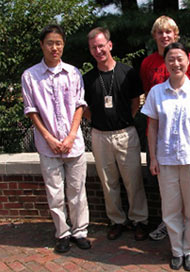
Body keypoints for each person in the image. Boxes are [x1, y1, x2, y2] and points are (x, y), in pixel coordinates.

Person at [141, 42, 190, 271]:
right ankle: (176, 251)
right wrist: (152, 158)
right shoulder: (156, 92)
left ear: (188, 61)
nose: (176, 63)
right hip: (166, 161)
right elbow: (152, 128)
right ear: (165, 63)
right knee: (170, 210)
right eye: (171, 59)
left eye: (180, 58)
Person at [21, 25, 91, 253]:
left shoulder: (73, 73)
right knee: (55, 192)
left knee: (77, 191)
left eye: (58, 43)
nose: (54, 47)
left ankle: (80, 231)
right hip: (47, 145)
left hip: (74, 143)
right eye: (50, 43)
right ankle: (62, 233)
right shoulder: (30, 76)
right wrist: (49, 138)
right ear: (42, 45)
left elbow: (80, 105)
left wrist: (71, 136)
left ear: (64, 45)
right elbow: (31, 110)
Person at [83, 27, 149, 241]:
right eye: (94, 47)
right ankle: (116, 221)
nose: (98, 50)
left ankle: (139, 220)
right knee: (108, 182)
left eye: (101, 46)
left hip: (125, 134)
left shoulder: (127, 72)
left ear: (109, 45)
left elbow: (135, 101)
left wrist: (125, 119)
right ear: (90, 51)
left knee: (133, 181)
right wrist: (96, 121)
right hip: (100, 136)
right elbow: (83, 107)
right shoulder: (88, 78)